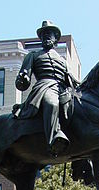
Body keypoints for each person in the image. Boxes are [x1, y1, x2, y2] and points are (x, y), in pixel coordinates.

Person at [13, 20, 79, 155]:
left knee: (80, 111)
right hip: (44, 87)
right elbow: (21, 84)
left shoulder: (62, 60)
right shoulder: (33, 55)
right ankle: (53, 140)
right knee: (51, 103)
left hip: (62, 89)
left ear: (56, 38)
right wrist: (23, 79)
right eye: (43, 34)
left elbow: (71, 81)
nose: (45, 37)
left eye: (49, 34)